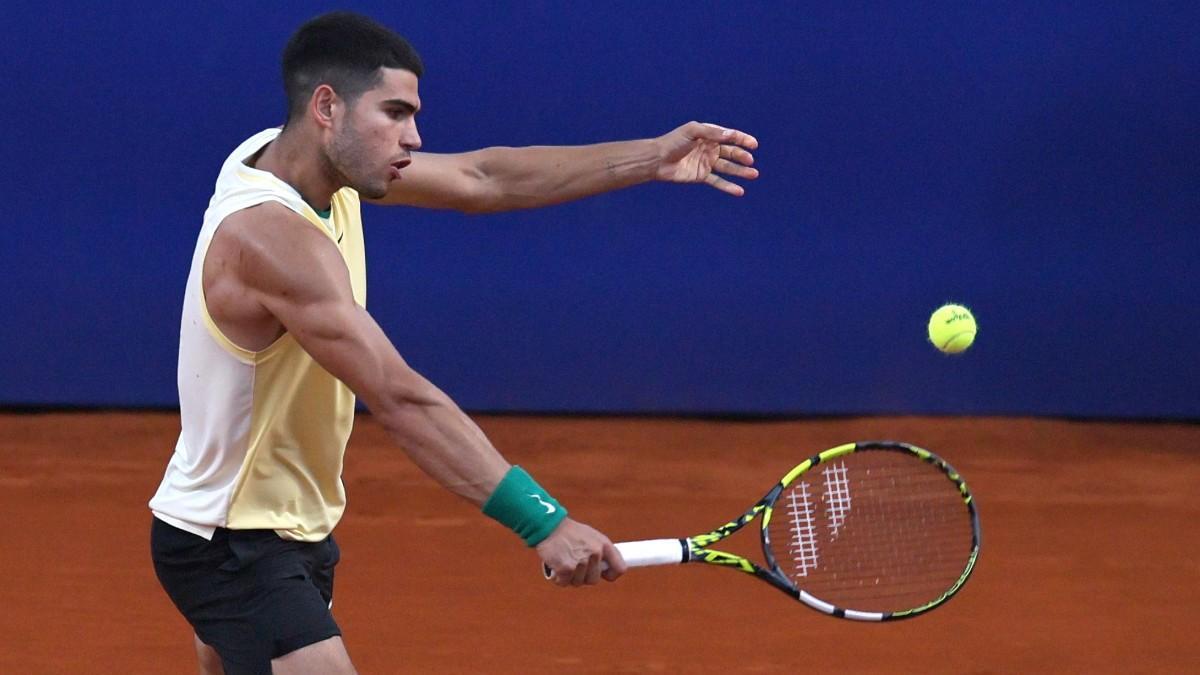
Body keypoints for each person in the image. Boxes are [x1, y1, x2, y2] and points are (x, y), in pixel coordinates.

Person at [148, 10, 758, 675]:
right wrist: (544, 521)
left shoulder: (298, 156)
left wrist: (652, 157)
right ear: (327, 107)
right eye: (396, 112)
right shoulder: (273, 239)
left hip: (292, 522)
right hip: (232, 540)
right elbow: (399, 396)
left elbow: (482, 179)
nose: (414, 135)